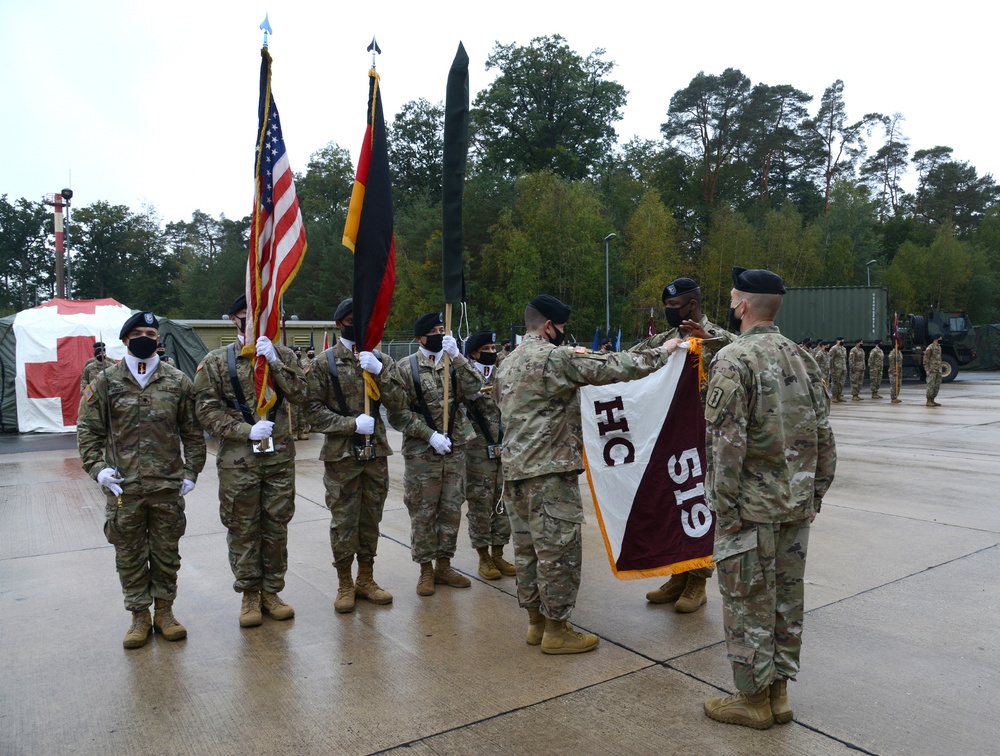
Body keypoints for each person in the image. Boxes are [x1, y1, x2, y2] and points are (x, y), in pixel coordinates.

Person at [496, 295, 675, 655]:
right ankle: (557, 630)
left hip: (515, 474)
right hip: (549, 474)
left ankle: (536, 624)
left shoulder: (508, 361)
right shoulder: (554, 357)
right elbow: (616, 366)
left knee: (528, 553)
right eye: (561, 328)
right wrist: (665, 350)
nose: (563, 335)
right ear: (549, 326)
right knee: (558, 554)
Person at [702, 267, 836, 729]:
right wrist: (815, 494)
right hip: (794, 507)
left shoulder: (734, 360)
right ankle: (778, 695)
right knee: (784, 601)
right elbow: (824, 435)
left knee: (747, 603)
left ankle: (752, 699)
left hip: (750, 510)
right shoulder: (803, 358)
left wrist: (724, 509)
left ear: (740, 304)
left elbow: (726, 448)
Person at [77, 311, 206, 649]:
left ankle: (164, 612)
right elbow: (88, 432)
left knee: (166, 553)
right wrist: (97, 469)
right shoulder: (106, 381)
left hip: (167, 486)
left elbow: (193, 434)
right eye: (139, 332)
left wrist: (191, 472)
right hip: (125, 488)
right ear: (125, 340)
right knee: (130, 554)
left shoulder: (178, 381)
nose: (146, 337)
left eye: (151, 332)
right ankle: (138, 616)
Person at [193, 294, 307, 627]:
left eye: (260, 314)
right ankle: (250, 595)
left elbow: (302, 395)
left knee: (276, 526)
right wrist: (245, 430)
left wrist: (275, 362)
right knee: (243, 528)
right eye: (246, 315)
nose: (254, 320)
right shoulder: (215, 361)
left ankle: (272, 591)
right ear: (233, 320)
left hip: (278, 460)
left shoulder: (282, 355)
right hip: (238, 461)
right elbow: (206, 410)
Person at [635, 277, 734, 613]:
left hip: (706, 439)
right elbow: (632, 360)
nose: (668, 311)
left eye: (674, 307)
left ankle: (698, 582)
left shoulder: (721, 337)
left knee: (700, 505)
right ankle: (678, 574)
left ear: (692, 306)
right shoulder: (666, 339)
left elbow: (744, 361)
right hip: (670, 438)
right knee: (675, 504)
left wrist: (708, 345)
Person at [304, 298, 401, 613]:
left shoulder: (381, 359)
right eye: (349, 318)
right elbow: (311, 412)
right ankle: (345, 583)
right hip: (342, 457)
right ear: (338, 324)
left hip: (376, 455)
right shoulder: (324, 364)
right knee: (344, 521)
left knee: (371, 519)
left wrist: (381, 372)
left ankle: (366, 579)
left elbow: (400, 402)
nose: (355, 323)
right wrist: (349, 424)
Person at [387, 312, 484, 596]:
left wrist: (459, 358)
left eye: (442, 329)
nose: (440, 334)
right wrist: (428, 434)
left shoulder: (452, 364)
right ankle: (425, 569)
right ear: (419, 338)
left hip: (454, 449)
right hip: (422, 453)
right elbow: (397, 414)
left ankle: (444, 565)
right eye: (434, 331)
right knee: (423, 511)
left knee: (451, 510)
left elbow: (476, 388)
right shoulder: (406, 368)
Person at [461, 330, 515, 581]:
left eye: (494, 349)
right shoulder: (463, 374)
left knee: (502, 501)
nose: (492, 353)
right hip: (477, 449)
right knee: (480, 503)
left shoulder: (501, 372)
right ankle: (483, 556)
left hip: (503, 446)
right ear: (474, 353)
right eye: (487, 349)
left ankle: (498, 553)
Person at [291, 346, 311, 440]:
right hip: (293, 390)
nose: (298, 354)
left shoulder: (299, 363)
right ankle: (294, 432)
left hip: (301, 390)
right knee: (294, 413)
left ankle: (301, 431)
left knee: (301, 412)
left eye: (299, 352)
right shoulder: (290, 362)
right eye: (296, 352)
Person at [924, 335, 943, 407]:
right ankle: (928, 400)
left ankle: (932, 399)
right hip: (932, 369)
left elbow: (939, 358)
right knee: (931, 385)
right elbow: (926, 359)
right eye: (940, 337)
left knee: (937, 385)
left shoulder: (939, 347)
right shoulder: (930, 347)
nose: (941, 338)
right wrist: (927, 369)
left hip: (938, 369)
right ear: (937, 338)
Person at [828, 337, 847, 403]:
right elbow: (830, 359)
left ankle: (839, 396)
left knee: (841, 382)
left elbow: (844, 358)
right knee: (835, 382)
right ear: (837, 341)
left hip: (843, 368)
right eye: (840, 340)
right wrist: (831, 368)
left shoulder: (844, 349)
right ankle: (834, 396)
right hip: (836, 368)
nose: (842, 341)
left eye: (842, 340)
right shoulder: (834, 348)